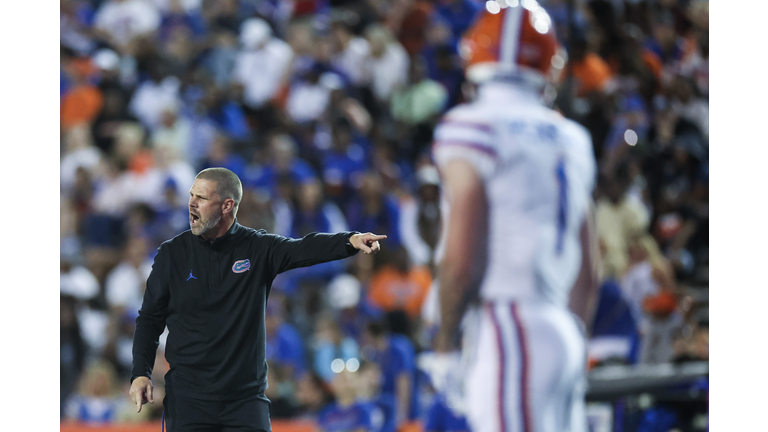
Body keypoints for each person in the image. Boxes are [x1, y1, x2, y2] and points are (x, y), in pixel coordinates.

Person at [428, 3, 600, 432]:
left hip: (509, 324)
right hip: (563, 328)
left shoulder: (472, 125)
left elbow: (463, 260)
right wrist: (568, 337)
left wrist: (445, 344)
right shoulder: (572, 138)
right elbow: (589, 271)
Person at [129, 167, 387, 431]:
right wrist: (140, 372)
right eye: (191, 196)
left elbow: (302, 248)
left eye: (202, 198)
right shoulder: (172, 254)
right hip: (188, 401)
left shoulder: (257, 248)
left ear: (227, 205)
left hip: (244, 401)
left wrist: (350, 240)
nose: (191, 204)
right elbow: (150, 318)